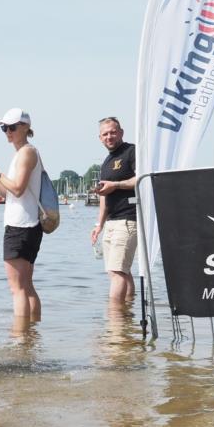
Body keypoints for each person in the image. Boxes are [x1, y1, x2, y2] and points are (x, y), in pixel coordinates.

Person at [0, 108, 43, 325]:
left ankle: (21, 338)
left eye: (12, 127)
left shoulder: (27, 152)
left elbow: (17, 188)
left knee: (18, 289)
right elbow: (6, 193)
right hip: (27, 224)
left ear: (25, 127)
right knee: (26, 286)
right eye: (4, 128)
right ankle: (32, 334)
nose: (8, 131)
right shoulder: (22, 154)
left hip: (21, 225)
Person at [90, 117, 138, 303]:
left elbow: (140, 178)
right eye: (105, 134)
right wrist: (98, 224)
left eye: (113, 132)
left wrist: (116, 185)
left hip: (129, 219)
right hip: (111, 221)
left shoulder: (131, 151)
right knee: (117, 271)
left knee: (118, 271)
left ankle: (114, 318)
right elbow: (104, 195)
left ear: (121, 132)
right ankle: (126, 314)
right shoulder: (106, 162)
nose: (109, 136)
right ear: (100, 138)